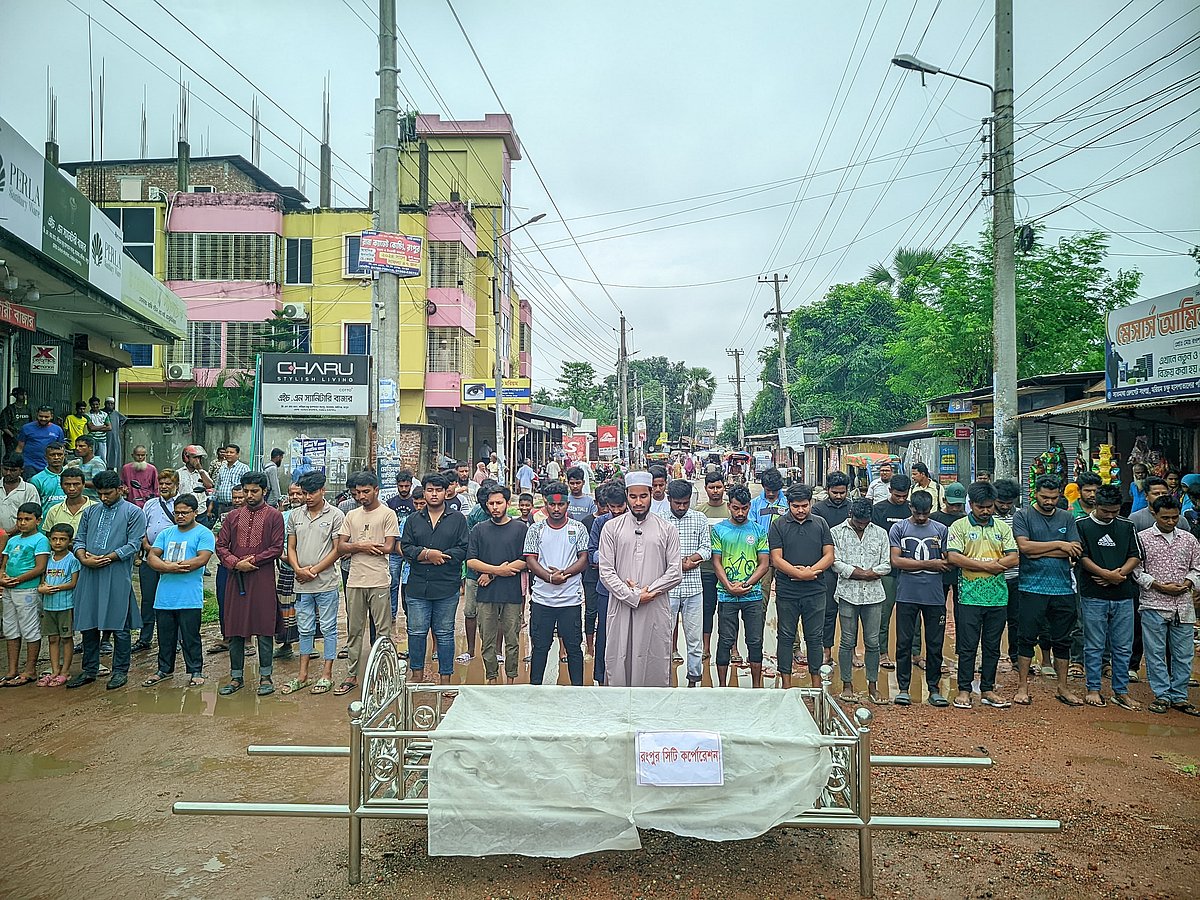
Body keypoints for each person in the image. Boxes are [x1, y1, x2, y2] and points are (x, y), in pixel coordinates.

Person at [65, 470, 147, 691]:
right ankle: (89, 670)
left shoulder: (134, 513)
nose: (103, 498)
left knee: (119, 625)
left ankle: (120, 671)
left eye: (108, 493)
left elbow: (133, 545)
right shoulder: (90, 512)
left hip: (116, 575)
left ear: (120, 489)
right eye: (100, 493)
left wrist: (108, 557)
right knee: (89, 625)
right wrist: (83, 557)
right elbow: (79, 539)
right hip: (89, 574)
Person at [598, 472, 682, 687]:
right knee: (619, 659)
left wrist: (648, 592)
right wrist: (633, 596)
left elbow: (675, 571)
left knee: (654, 661)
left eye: (643, 496)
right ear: (626, 495)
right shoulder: (611, 529)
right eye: (633, 496)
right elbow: (606, 571)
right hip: (622, 605)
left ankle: (651, 716)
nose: (638, 502)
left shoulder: (667, 529)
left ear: (651, 495)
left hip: (654, 605)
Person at [946, 481, 1019, 710]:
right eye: (980, 507)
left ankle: (987, 689)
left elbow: (1014, 557)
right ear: (971, 505)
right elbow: (953, 557)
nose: (986, 511)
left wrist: (984, 565)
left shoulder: (1002, 528)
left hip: (998, 596)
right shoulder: (958, 527)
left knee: (992, 645)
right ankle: (964, 690)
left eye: (989, 506)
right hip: (968, 595)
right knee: (967, 645)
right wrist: (989, 566)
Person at [1012, 475, 1083, 708]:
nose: (1049, 501)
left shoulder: (1067, 517)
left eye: (1053, 497)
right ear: (1035, 494)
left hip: (1063, 588)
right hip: (1030, 586)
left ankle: (1063, 687)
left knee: (1063, 639)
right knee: (1026, 638)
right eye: (1044, 497)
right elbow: (1024, 547)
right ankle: (1022, 686)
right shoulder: (1023, 515)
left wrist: (1043, 549)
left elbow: (1075, 551)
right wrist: (1060, 544)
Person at [215, 472, 285, 697]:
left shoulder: (274, 516)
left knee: (264, 627)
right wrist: (236, 563)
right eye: (246, 491)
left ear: (264, 491)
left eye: (254, 491)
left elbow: (276, 548)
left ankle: (266, 676)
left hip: (262, 577)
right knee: (235, 627)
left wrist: (251, 561)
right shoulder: (232, 516)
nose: (249, 495)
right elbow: (221, 546)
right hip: (236, 579)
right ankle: (236, 677)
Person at [1075, 483, 1142, 711]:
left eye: (1115, 511)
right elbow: (1081, 556)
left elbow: (1135, 556)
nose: (1110, 516)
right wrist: (1104, 573)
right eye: (1106, 511)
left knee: (1123, 647)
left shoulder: (1126, 525)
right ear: (1096, 505)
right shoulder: (1081, 525)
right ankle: (1093, 688)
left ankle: (1121, 692)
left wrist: (1118, 575)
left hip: (1124, 594)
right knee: (1094, 644)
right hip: (1093, 594)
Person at [401, 472, 469, 685]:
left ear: (446, 492)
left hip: (446, 586)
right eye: (429, 490)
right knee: (416, 632)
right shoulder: (413, 519)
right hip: (417, 586)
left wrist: (440, 557)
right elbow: (406, 547)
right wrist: (427, 554)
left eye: (438, 490)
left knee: (445, 633)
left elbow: (463, 549)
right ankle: (417, 675)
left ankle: (445, 678)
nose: (433, 494)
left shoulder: (457, 519)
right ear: (424, 491)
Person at [1134, 495, 1200, 716]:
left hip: (1183, 605)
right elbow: (1136, 571)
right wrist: (1160, 586)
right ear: (1154, 513)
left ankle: (1179, 696)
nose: (1171, 522)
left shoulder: (1189, 539)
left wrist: (1188, 583)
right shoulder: (1142, 539)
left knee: (1184, 653)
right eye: (1165, 518)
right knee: (1155, 652)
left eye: (1174, 517)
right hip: (1153, 603)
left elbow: (1197, 567)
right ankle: (1162, 695)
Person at [334, 471, 399, 695]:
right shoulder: (351, 515)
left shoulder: (387, 514)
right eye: (358, 493)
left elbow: (389, 547)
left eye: (366, 491)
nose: (361, 496)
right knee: (354, 630)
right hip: (354, 580)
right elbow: (341, 546)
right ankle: (352, 674)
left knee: (383, 630)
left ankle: (384, 673)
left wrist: (355, 546)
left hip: (379, 580)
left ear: (376, 490)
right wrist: (362, 547)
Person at [142, 493, 213, 688]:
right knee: (165, 637)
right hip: (164, 596)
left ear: (195, 513)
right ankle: (164, 669)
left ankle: (195, 671)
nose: (180, 516)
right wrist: (167, 568)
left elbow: (202, 559)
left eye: (185, 513)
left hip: (189, 596)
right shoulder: (167, 533)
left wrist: (173, 566)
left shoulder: (204, 533)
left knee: (191, 636)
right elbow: (152, 556)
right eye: (177, 513)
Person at [283, 471, 345, 696]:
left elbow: (338, 549)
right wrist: (298, 569)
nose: (307, 497)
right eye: (303, 493)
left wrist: (315, 570)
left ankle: (327, 674)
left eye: (311, 493)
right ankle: (303, 675)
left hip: (326, 582)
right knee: (304, 628)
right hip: (301, 583)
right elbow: (290, 546)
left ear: (322, 491)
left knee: (328, 627)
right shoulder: (295, 515)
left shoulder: (336, 515)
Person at [888, 490, 951, 707]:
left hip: (934, 596)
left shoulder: (941, 529)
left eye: (926, 513)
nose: (922, 517)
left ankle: (934, 688)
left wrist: (920, 564)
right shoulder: (899, 528)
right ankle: (903, 688)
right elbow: (896, 561)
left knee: (935, 643)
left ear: (931, 509)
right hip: (907, 594)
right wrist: (929, 565)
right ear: (910, 508)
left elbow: (948, 560)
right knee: (904, 643)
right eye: (918, 513)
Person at [769, 483, 835, 689]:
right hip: (787, 590)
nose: (800, 510)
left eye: (804, 506)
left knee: (815, 637)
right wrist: (798, 573)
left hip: (815, 590)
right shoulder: (778, 525)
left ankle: (816, 685)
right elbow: (776, 559)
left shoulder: (820, 523)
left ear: (810, 503)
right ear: (788, 505)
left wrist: (810, 572)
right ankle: (786, 686)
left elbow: (829, 555)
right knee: (786, 635)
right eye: (796, 506)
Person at [525, 481, 590, 685]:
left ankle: (577, 690)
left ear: (567, 504)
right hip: (542, 600)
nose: (556, 509)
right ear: (545, 503)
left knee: (573, 648)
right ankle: (535, 689)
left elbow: (584, 559)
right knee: (540, 647)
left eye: (560, 504)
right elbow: (530, 559)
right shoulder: (536, 529)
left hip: (570, 601)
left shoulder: (578, 528)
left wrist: (565, 574)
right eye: (551, 505)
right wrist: (549, 577)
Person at [830, 498, 890, 703]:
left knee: (873, 642)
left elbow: (887, 564)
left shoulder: (880, 533)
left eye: (865, 521)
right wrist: (857, 573)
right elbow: (834, 562)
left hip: (874, 596)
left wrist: (870, 573)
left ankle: (873, 686)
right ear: (851, 515)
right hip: (847, 593)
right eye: (858, 521)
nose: (862, 525)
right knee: (847, 641)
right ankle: (847, 685)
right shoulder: (836, 532)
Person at [467, 484, 528, 684]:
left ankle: (511, 678)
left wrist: (492, 574)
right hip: (486, 594)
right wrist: (498, 571)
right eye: (491, 503)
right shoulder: (479, 529)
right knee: (487, 640)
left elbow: (526, 559)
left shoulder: (520, 528)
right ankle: (491, 678)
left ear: (507, 504)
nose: (495, 507)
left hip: (511, 594)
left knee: (512, 640)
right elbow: (471, 561)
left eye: (499, 503)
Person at [711, 485, 769, 688]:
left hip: (752, 595)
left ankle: (756, 686)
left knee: (755, 640)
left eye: (744, 508)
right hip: (726, 596)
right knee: (725, 640)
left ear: (749, 506)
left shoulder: (758, 531)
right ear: (729, 506)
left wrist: (746, 584)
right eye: (736, 508)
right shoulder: (719, 530)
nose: (740, 512)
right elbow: (716, 561)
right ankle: (722, 686)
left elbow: (764, 563)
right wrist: (728, 586)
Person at [660, 478, 711, 687]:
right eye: (677, 503)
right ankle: (663, 679)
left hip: (693, 589)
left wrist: (692, 560)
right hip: (667, 590)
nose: (681, 507)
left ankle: (694, 679)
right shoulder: (659, 520)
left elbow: (707, 549)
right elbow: (654, 551)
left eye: (685, 502)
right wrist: (676, 563)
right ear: (669, 499)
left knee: (694, 639)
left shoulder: (699, 519)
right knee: (663, 638)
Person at [1, 502, 49, 687]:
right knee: (10, 629)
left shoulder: (40, 540)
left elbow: (40, 567)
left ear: (38, 520)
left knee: (30, 628)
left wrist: (18, 579)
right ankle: (12, 670)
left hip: (27, 590)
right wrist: (2, 578)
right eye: (19, 519)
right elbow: (4, 564)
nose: (22, 523)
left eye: (27, 519)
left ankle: (30, 669)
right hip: (9, 589)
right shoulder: (13, 540)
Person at [132, 468, 179, 653]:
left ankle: (172, 640)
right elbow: (142, 528)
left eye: (169, 484)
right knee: (148, 599)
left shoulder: (181, 504)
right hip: (149, 558)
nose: (165, 487)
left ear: (176, 485)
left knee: (170, 600)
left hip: (170, 560)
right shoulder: (150, 504)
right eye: (162, 484)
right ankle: (145, 638)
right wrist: (146, 545)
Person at [872, 473, 912, 671]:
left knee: (912, 612)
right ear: (890, 491)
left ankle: (915, 652)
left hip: (910, 570)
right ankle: (882, 652)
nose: (901, 499)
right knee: (884, 612)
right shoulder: (878, 510)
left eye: (904, 496)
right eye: (898, 496)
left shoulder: (913, 509)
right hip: (887, 571)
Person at [814, 472, 852, 667]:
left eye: (842, 492)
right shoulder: (818, 510)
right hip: (827, 568)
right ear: (828, 490)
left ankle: (850, 652)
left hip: (852, 568)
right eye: (835, 492)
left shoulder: (852, 509)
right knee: (828, 611)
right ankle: (826, 651)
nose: (838, 496)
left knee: (852, 612)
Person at [36, 523, 80, 686]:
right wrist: (42, 588)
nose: (58, 542)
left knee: (66, 638)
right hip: (49, 606)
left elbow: (73, 583)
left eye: (62, 539)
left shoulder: (73, 560)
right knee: (52, 639)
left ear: (69, 541)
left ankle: (65, 671)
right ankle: (54, 670)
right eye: (54, 539)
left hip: (65, 605)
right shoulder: (47, 559)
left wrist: (54, 588)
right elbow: (42, 581)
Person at [993, 478, 1028, 673]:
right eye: (1001, 503)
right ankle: (991, 657)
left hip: (1015, 577)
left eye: (1009, 503)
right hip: (993, 577)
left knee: (1016, 619)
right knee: (993, 621)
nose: (1005, 506)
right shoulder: (987, 517)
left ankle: (1016, 657)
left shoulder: (1020, 517)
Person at [696, 471, 730, 665]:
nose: (715, 491)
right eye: (711, 487)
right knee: (707, 609)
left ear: (724, 487)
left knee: (728, 611)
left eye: (718, 487)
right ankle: (706, 647)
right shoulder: (700, 512)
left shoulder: (731, 509)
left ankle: (732, 648)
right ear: (706, 488)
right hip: (706, 570)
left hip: (729, 570)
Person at [749, 467, 786, 614]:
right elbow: (751, 528)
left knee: (786, 600)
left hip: (785, 556)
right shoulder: (755, 504)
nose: (770, 494)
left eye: (774, 490)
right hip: (762, 557)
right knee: (761, 597)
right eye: (768, 490)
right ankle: (758, 635)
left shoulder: (788, 502)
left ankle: (790, 637)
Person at [386, 469, 416, 621]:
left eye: (407, 486)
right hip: (393, 549)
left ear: (411, 485)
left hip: (412, 549)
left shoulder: (416, 502)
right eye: (401, 486)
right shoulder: (391, 503)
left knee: (409, 582)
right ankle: (391, 614)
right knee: (393, 582)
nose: (404, 489)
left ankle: (410, 614)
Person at [16, 406, 65, 478]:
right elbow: (20, 447)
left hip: (49, 466)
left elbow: (61, 449)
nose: (43, 419)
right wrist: (17, 463)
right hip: (29, 465)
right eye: (41, 416)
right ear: (37, 415)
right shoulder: (26, 428)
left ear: (51, 416)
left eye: (46, 417)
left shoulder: (57, 430)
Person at [42, 468, 92, 536]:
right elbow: (50, 537)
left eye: (76, 484)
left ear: (84, 485)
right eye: (67, 484)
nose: (72, 488)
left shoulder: (95, 509)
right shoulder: (54, 511)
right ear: (61, 486)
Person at [0, 454, 41, 534]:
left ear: (21, 470)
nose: (8, 473)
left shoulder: (29, 490)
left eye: (13, 470)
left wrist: (9, 533)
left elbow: (32, 516)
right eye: (5, 469)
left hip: (21, 537)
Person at [177, 446, 214, 523]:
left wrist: (200, 470)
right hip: (185, 511)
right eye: (194, 458)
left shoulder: (203, 473)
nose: (197, 461)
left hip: (201, 511)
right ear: (186, 458)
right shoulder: (178, 473)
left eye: (199, 458)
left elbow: (209, 485)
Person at [213, 444, 251, 518]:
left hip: (237, 506)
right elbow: (217, 487)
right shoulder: (222, 468)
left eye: (231, 452)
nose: (228, 454)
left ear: (237, 454)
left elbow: (248, 486)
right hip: (222, 506)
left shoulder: (244, 468)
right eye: (227, 452)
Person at [31, 443, 67, 517]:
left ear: (64, 456)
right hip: (45, 525)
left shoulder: (71, 477)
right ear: (46, 457)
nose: (56, 457)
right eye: (52, 455)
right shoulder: (36, 480)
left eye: (59, 454)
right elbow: (34, 507)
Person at [0, 387, 32, 458]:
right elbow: (3, 426)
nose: (24, 396)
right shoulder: (9, 409)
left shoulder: (28, 409)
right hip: (12, 438)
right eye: (22, 394)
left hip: (25, 437)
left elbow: (31, 423)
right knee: (11, 456)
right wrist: (12, 436)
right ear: (16, 395)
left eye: (25, 394)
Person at [81, 396, 110, 463]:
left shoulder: (104, 414)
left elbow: (109, 427)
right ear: (90, 405)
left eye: (96, 404)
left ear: (99, 404)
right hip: (92, 440)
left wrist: (96, 427)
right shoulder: (87, 415)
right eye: (93, 404)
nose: (95, 406)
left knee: (102, 459)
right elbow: (91, 428)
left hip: (102, 440)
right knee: (90, 458)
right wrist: (103, 426)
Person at [101, 397, 127, 470]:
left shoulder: (116, 413)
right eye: (108, 403)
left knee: (112, 455)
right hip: (102, 437)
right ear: (105, 404)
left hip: (113, 437)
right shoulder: (101, 413)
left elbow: (124, 419)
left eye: (111, 404)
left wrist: (118, 425)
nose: (110, 405)